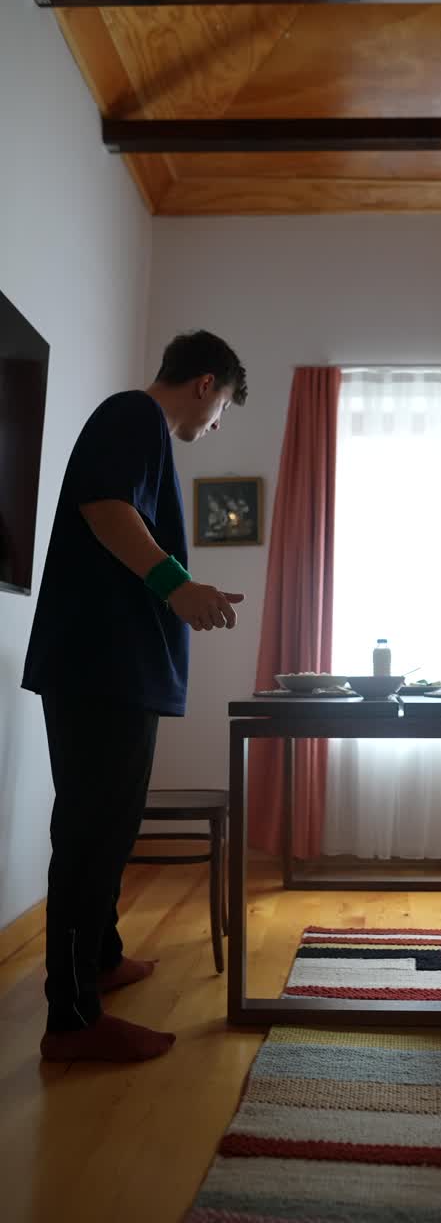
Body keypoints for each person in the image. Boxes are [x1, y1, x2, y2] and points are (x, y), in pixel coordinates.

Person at [22, 329, 247, 1064]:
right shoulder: (134, 415)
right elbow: (103, 506)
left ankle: (104, 958)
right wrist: (177, 585)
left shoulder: (143, 428)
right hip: (100, 670)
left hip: (114, 672)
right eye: (220, 414)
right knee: (89, 837)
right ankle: (73, 1021)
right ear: (206, 384)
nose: (212, 430)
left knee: (110, 831)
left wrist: (180, 590)